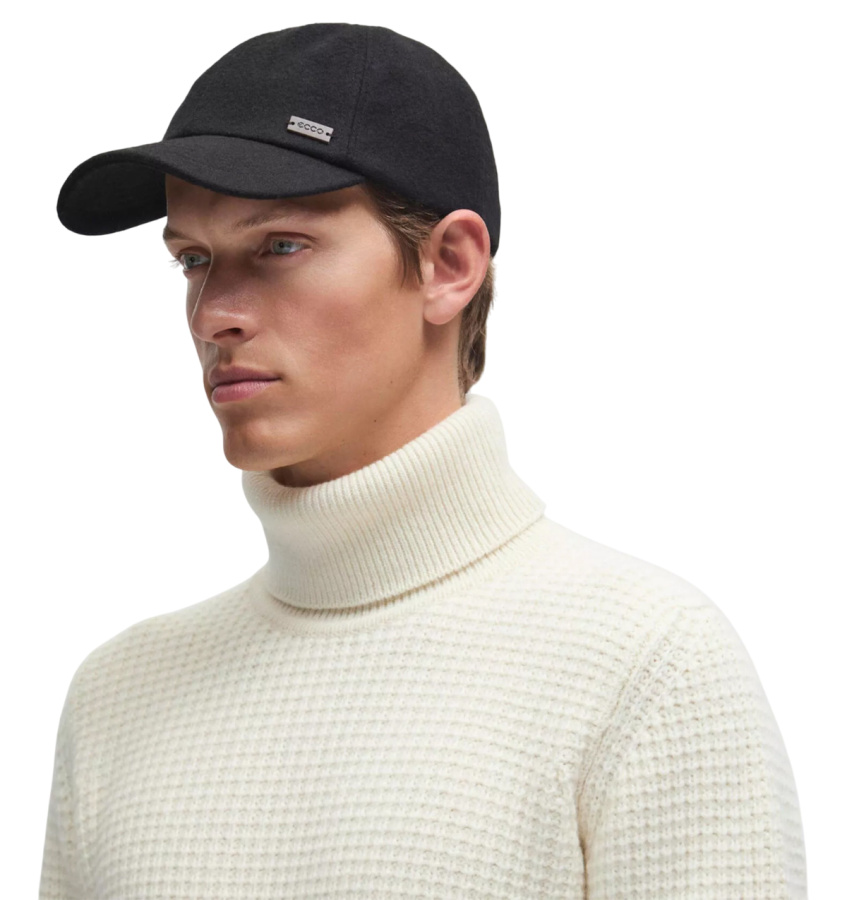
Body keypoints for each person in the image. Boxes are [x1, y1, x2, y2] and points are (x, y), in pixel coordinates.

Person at [40, 22, 807, 900]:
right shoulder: (119, 696)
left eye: (281, 246)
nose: (215, 314)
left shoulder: (645, 666)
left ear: (448, 264)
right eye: (193, 259)